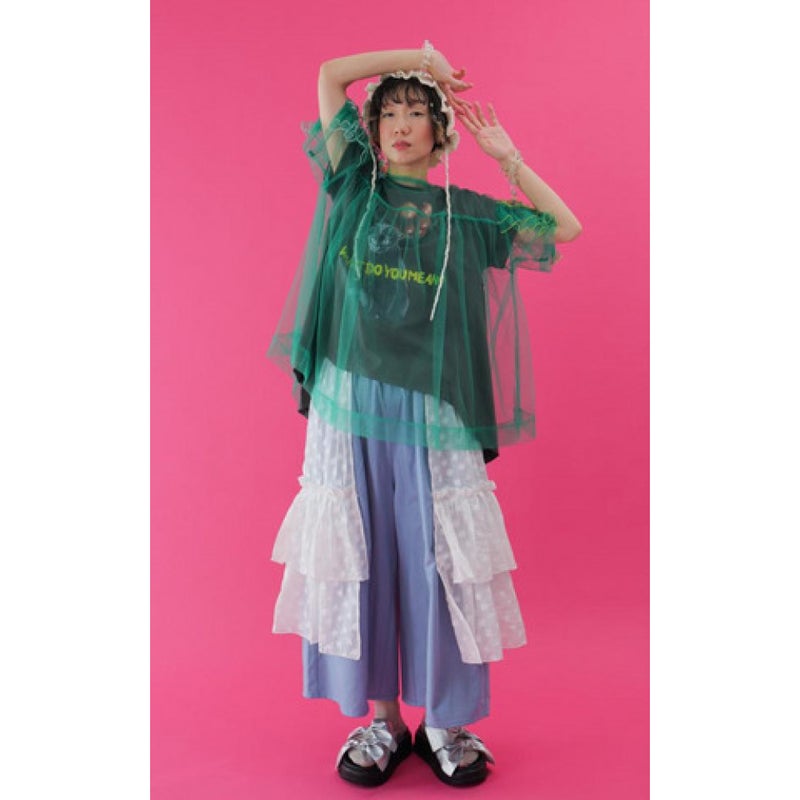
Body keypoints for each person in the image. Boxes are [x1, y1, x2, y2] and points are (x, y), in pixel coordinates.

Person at [267, 43, 582, 788]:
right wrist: (418, 59)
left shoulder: (464, 214)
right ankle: (383, 720)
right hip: (352, 401)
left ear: (441, 134)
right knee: (367, 551)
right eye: (389, 115)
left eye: (417, 114)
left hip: (435, 408)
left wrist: (507, 158)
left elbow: (562, 227)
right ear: (374, 132)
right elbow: (329, 75)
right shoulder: (354, 185)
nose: (401, 125)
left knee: (436, 556)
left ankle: (445, 719)